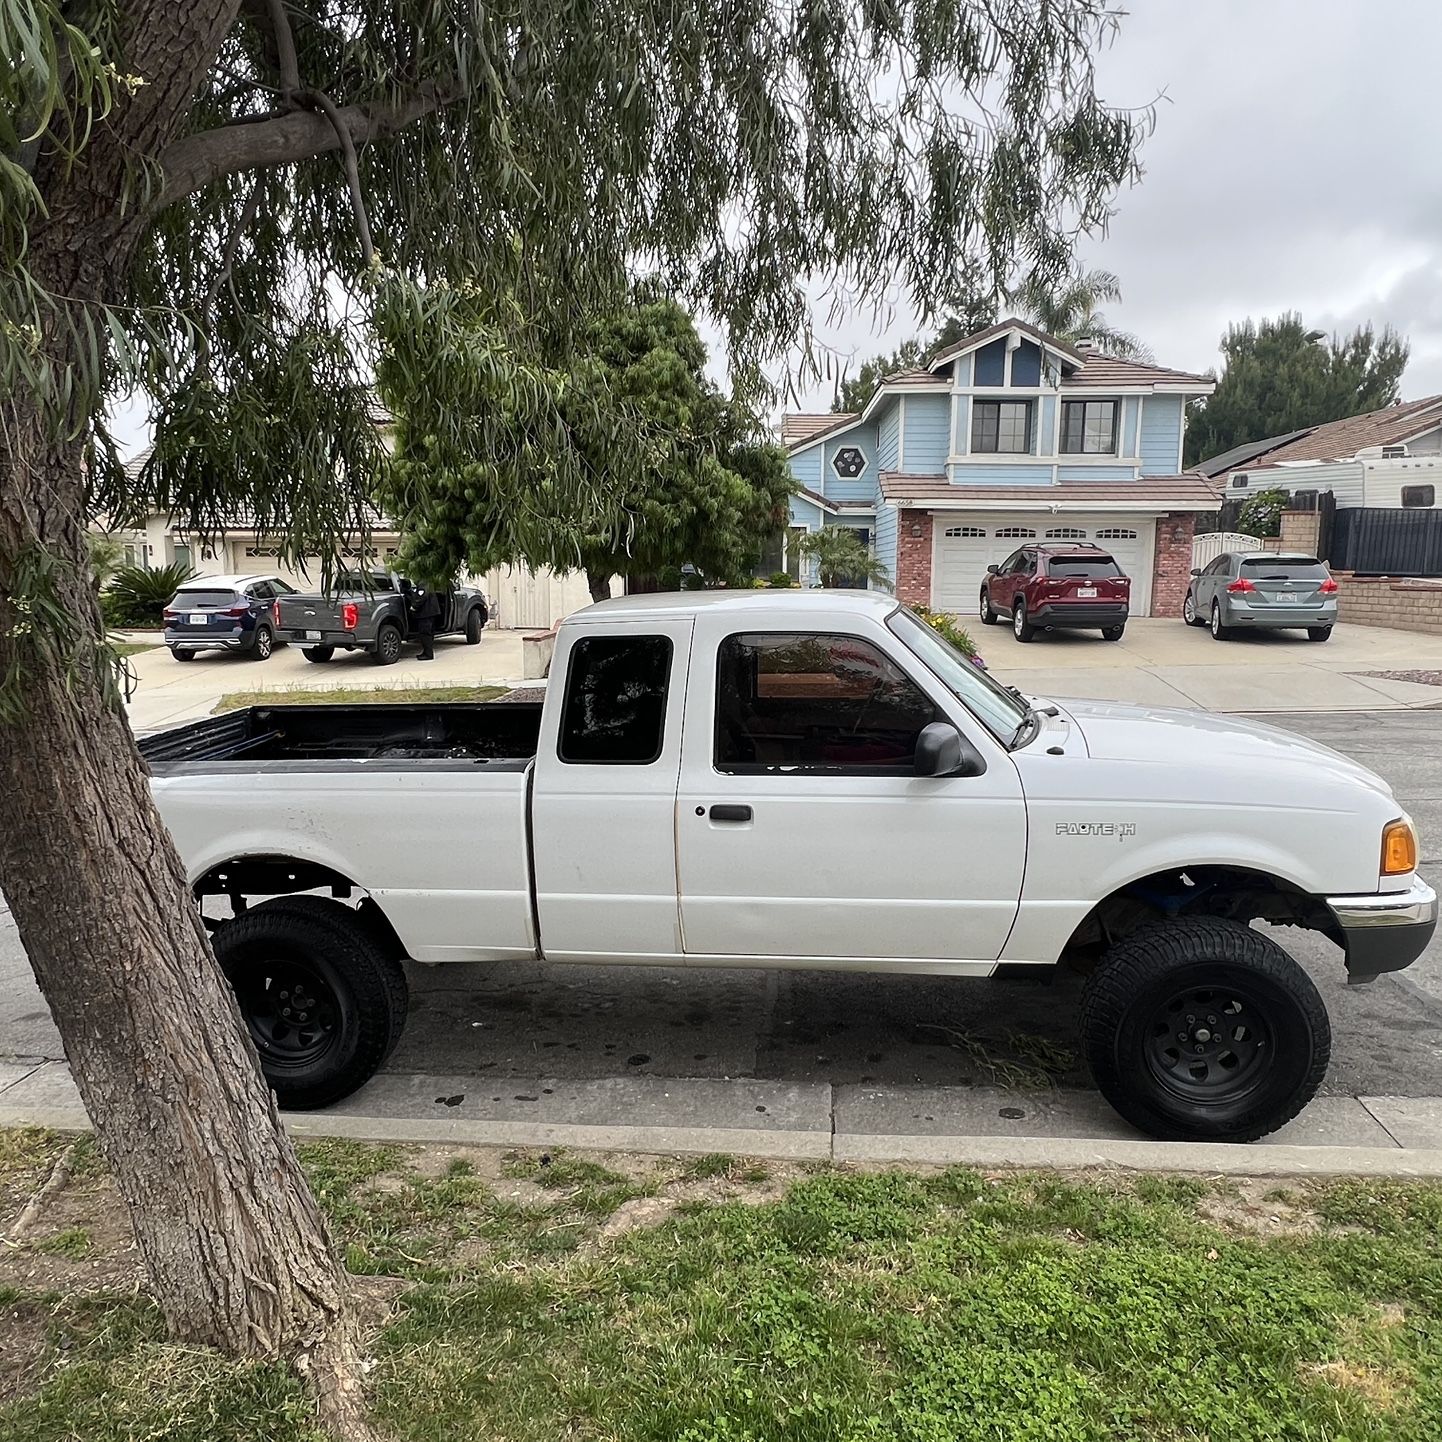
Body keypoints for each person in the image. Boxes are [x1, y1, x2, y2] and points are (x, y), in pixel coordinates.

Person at [407, 580, 442, 660]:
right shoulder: (426, 581)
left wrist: (414, 606)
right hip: (430, 612)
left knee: (425, 633)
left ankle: (428, 654)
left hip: (426, 613)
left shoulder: (423, 583)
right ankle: (427, 652)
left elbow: (421, 596)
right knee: (428, 633)